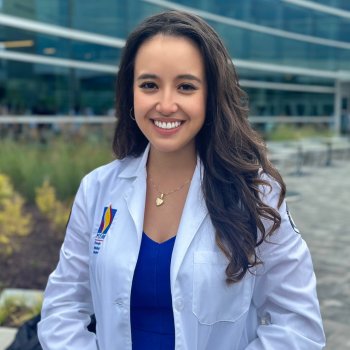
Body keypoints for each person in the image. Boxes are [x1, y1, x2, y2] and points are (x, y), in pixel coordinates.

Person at [38, 10, 326, 350]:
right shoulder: (97, 189)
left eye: (186, 86)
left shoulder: (257, 195)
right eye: (149, 85)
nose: (166, 104)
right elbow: (62, 307)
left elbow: (298, 326)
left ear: (211, 96)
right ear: (130, 94)